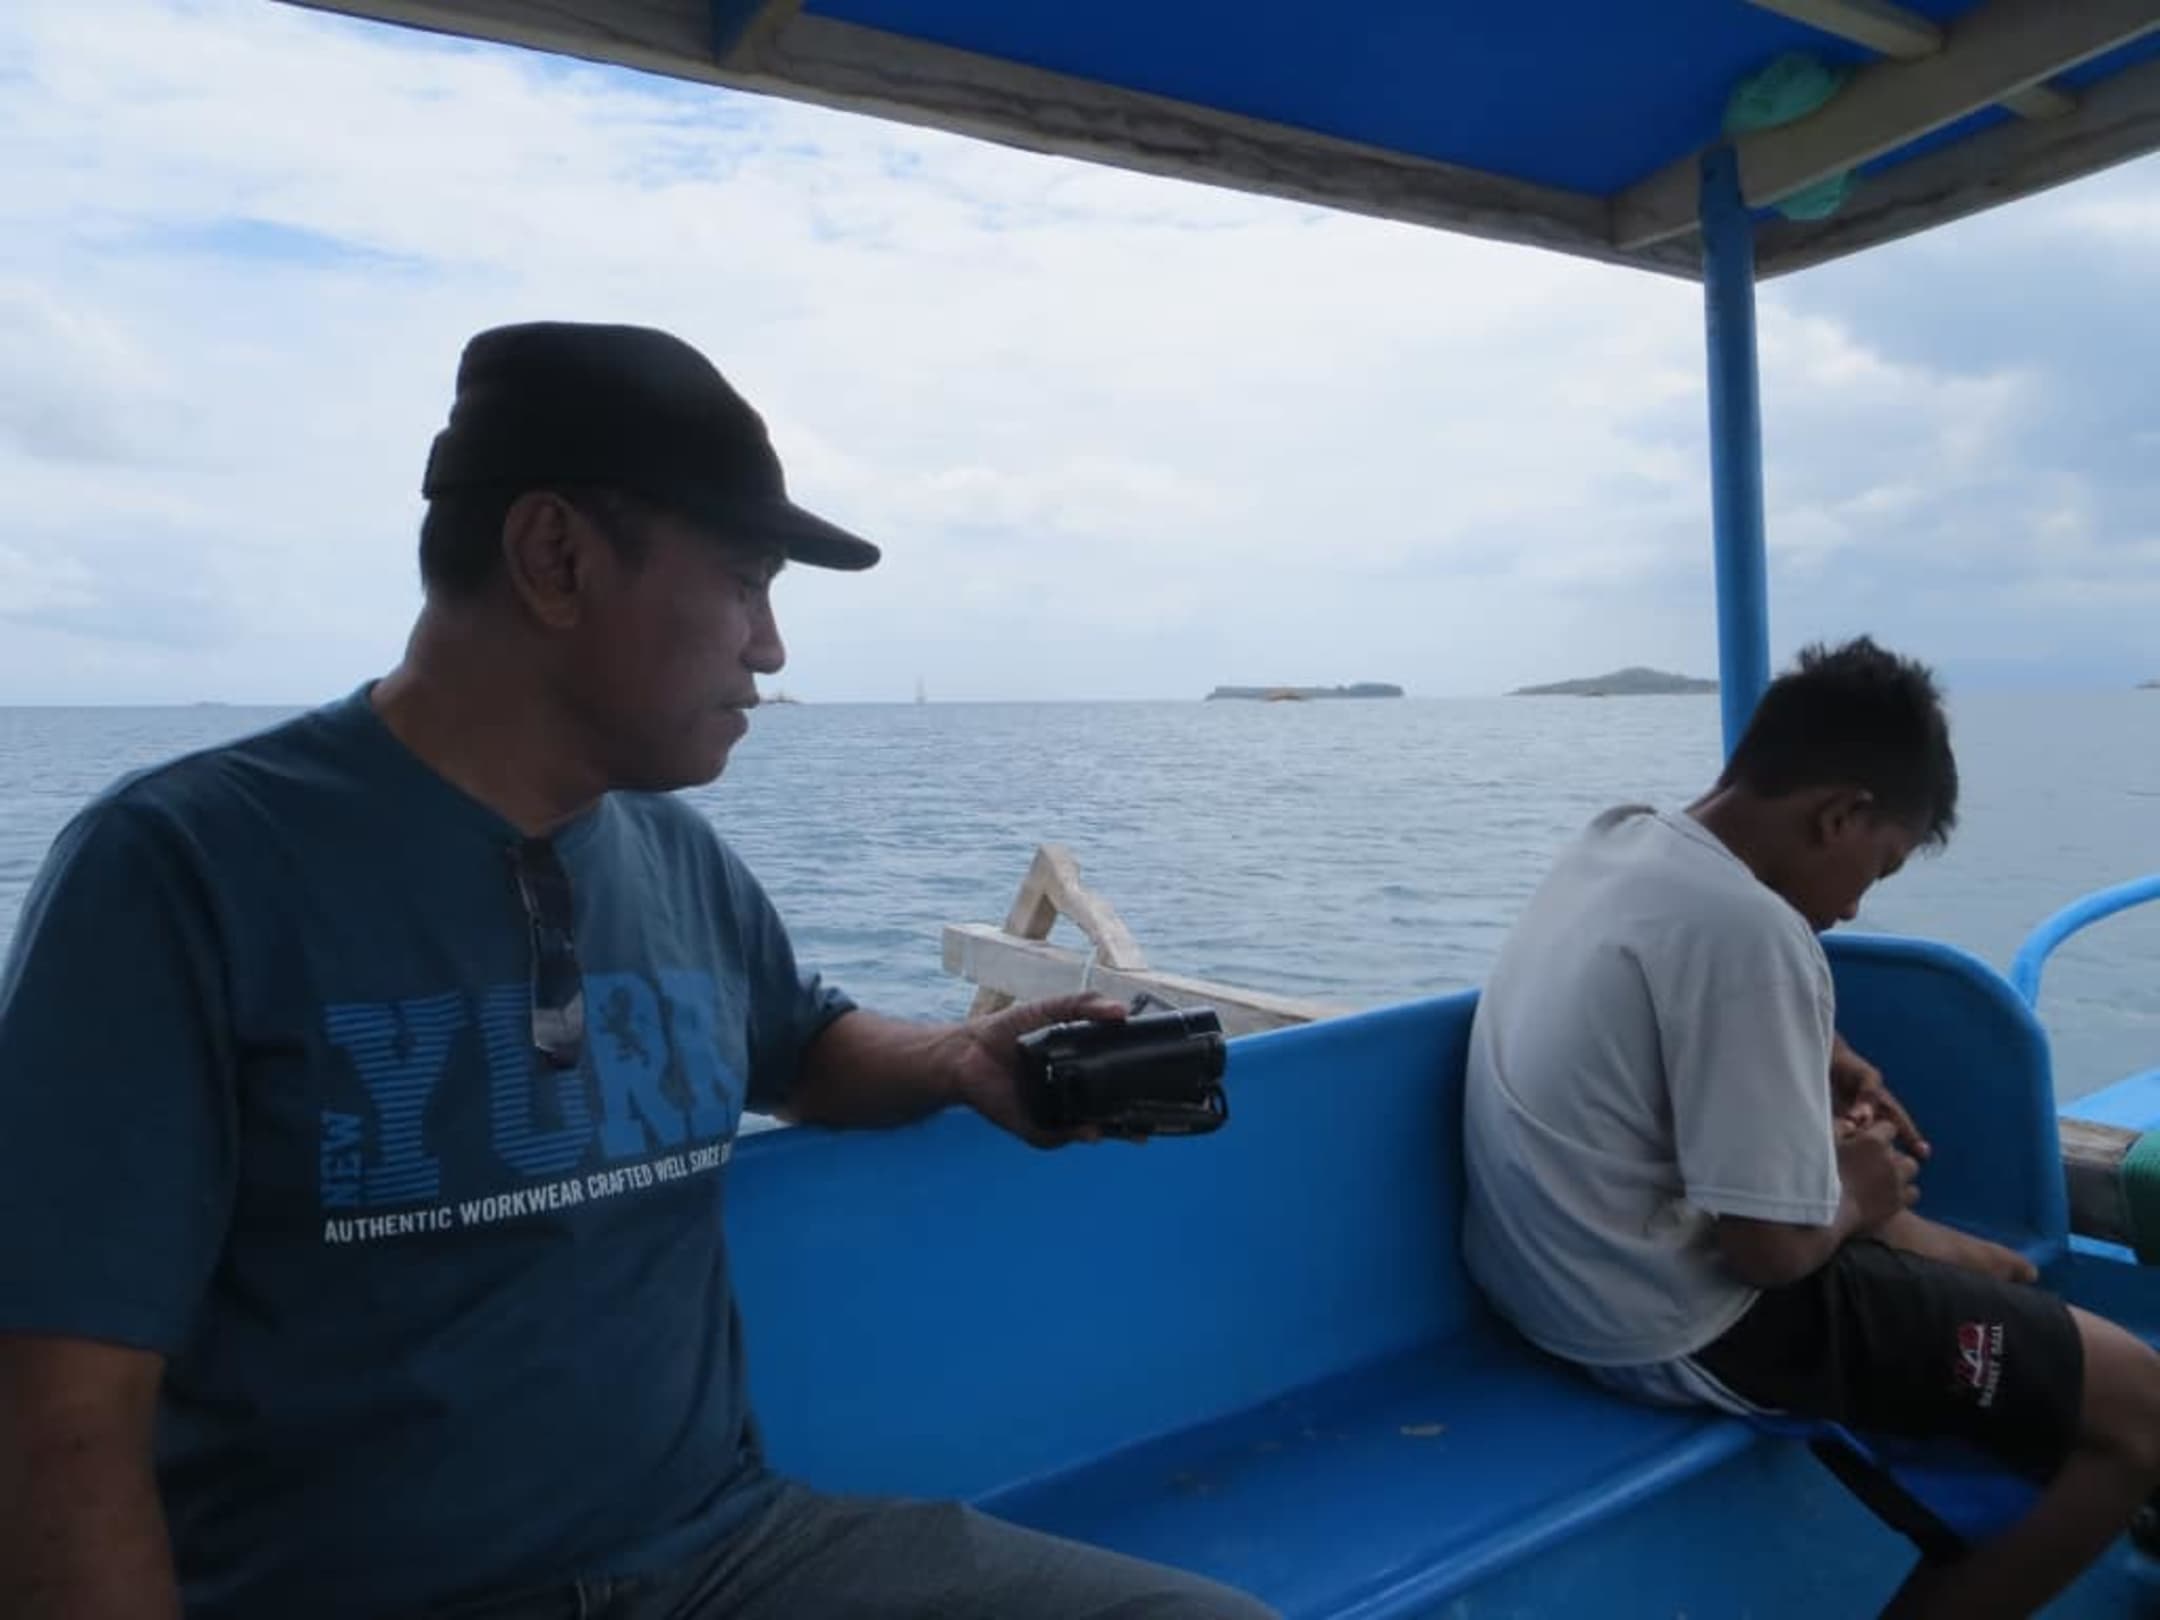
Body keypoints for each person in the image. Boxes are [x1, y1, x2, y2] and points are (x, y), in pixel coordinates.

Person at [0, 321, 1277, 1620]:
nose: (770, 647)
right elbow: (60, 1412)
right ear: (554, 558)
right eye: (746, 582)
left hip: (726, 1555)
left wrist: (957, 1059)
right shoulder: (184, 868)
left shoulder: (674, 855)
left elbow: (800, 1047)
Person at [1460, 637, 2160, 1620]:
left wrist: (1816, 1045)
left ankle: (1945, 1261)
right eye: (1877, 866)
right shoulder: (1755, 934)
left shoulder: (1622, 840)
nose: (1857, 906)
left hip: (1544, 1277)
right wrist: (1859, 1200)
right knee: (2135, 1405)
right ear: (1839, 815)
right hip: (1667, 1320)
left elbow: (1680, 974)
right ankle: (1924, 1248)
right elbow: (1770, 1254)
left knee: (1949, 1258)